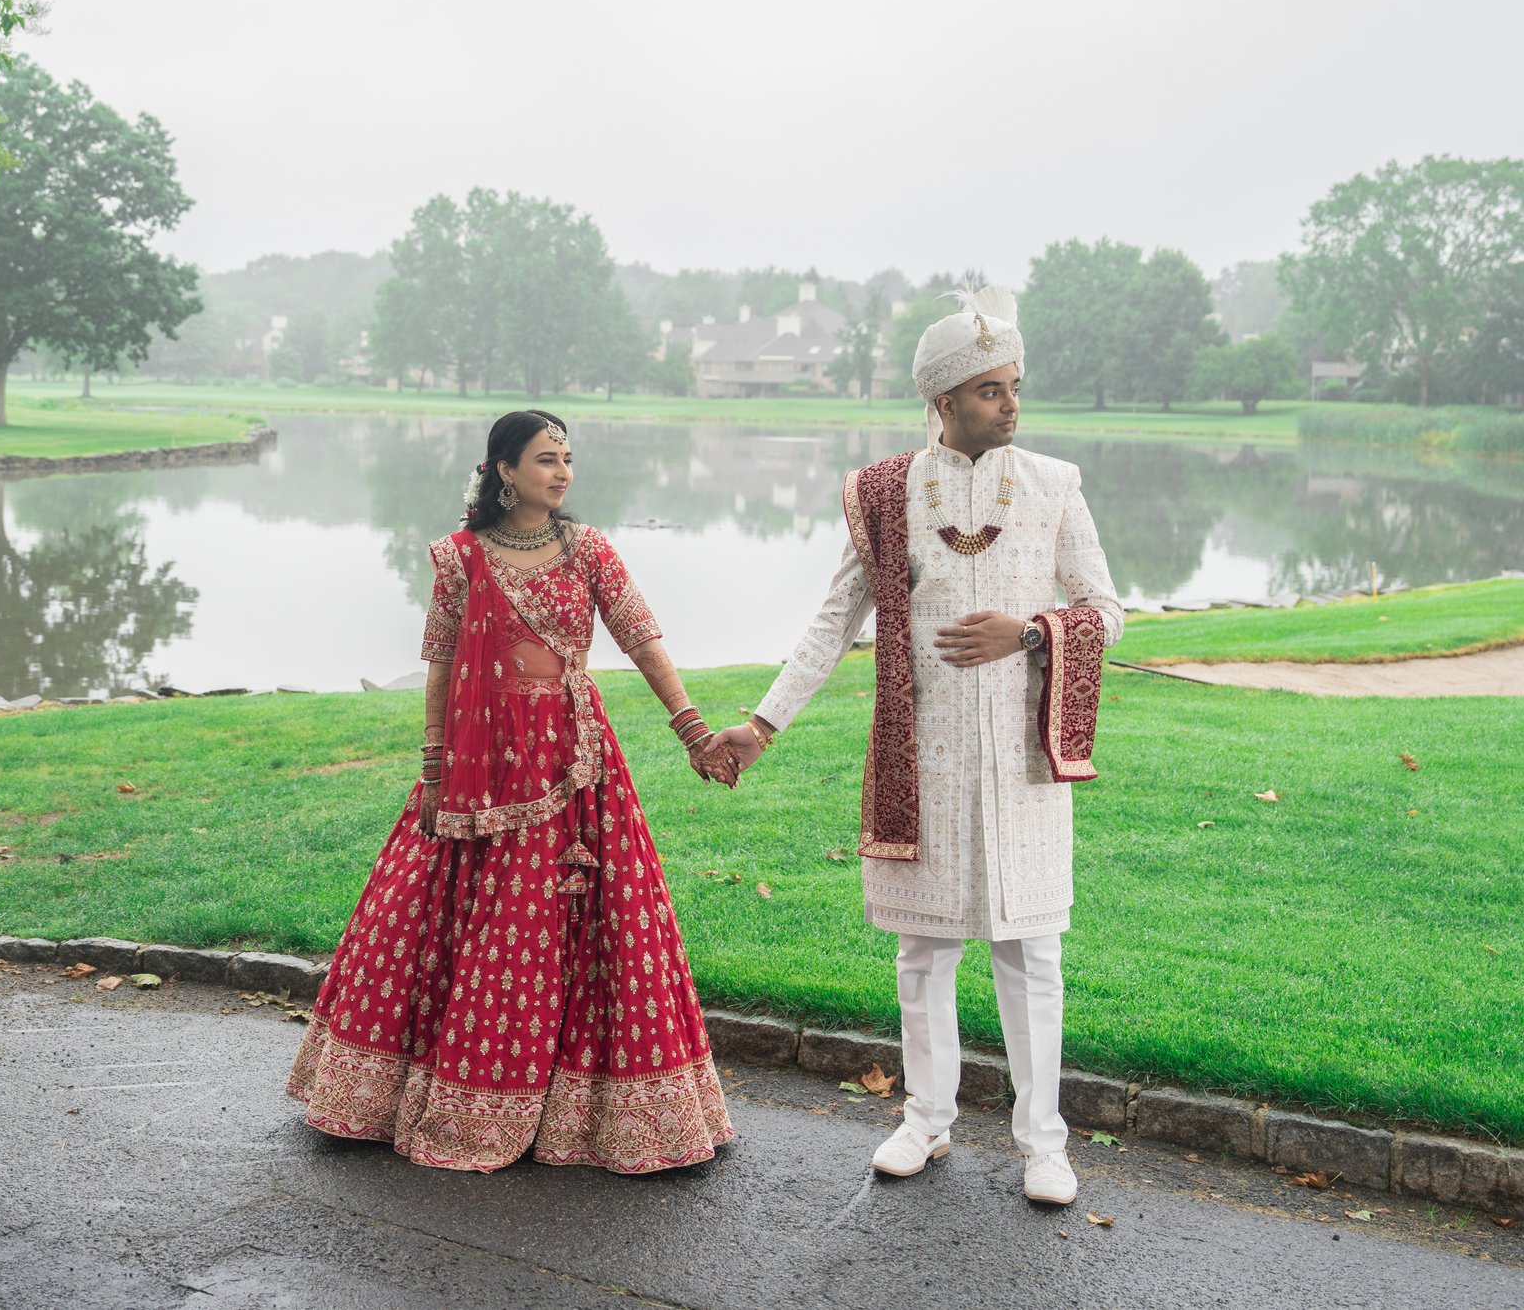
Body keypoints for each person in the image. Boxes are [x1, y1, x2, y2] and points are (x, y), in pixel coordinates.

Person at [700, 288, 1121, 1207]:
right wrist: (762, 724)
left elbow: (1106, 611)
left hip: (1020, 764)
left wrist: (1032, 632)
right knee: (924, 954)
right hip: (920, 760)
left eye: (1014, 387)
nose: (1012, 403)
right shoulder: (886, 493)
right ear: (943, 401)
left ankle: (1042, 1142)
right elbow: (832, 621)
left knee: (1030, 953)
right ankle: (925, 1119)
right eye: (991, 390)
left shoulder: (1054, 485)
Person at [286, 409, 737, 1173]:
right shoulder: (461, 558)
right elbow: (439, 662)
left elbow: (641, 638)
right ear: (503, 470)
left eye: (566, 459)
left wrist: (691, 728)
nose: (561, 473)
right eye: (544, 460)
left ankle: (594, 1114)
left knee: (595, 930)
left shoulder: (590, 549)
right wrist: (433, 767)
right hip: (482, 766)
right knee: (471, 921)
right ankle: (436, 1098)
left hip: (575, 766)